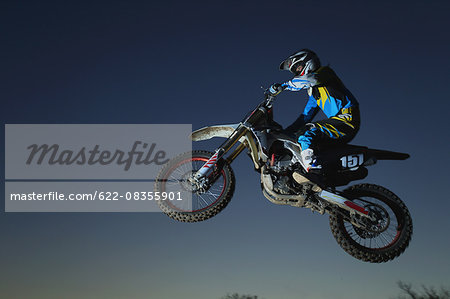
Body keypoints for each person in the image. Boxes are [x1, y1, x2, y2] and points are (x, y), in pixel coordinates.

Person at [268, 49, 360, 172]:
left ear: (308, 62)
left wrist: (284, 86)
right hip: (339, 122)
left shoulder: (325, 73)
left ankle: (313, 170)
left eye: (298, 68)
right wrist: (285, 133)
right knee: (300, 135)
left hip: (347, 119)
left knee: (307, 131)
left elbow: (310, 79)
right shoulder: (315, 93)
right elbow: (306, 116)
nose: (297, 72)